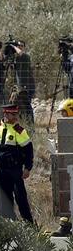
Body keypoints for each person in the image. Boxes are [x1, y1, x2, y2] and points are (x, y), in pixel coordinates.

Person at [0, 104, 34, 222]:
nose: (15, 117)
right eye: (13, 114)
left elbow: (28, 151)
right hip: (0, 170)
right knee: (2, 201)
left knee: (21, 199)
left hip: (15, 170)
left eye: (16, 114)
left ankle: (29, 227)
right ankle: (7, 228)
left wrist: (28, 168)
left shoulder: (19, 131)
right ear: (5, 114)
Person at [52, 98, 73, 236]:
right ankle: (65, 225)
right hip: (68, 164)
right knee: (67, 194)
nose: (62, 116)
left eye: (64, 112)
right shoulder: (65, 126)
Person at [10, 40, 36, 125]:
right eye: (18, 45)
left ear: (24, 47)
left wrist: (14, 47)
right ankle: (23, 124)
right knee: (20, 106)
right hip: (20, 87)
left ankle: (30, 126)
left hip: (28, 86)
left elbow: (21, 54)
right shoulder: (16, 58)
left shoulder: (25, 56)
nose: (19, 47)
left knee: (27, 106)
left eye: (21, 45)